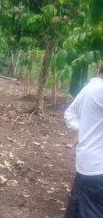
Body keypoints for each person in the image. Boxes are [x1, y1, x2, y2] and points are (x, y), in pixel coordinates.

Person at [63, 66, 103, 218]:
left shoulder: (88, 88)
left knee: (76, 208)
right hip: (98, 169)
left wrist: (85, 130)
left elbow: (69, 114)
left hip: (86, 165)